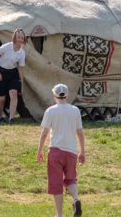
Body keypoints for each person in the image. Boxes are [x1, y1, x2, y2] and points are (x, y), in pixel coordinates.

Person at [36, 84, 86, 217]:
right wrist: (82, 151)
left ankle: (59, 214)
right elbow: (80, 133)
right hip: (71, 151)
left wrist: (39, 150)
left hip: (56, 151)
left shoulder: (50, 111)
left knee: (56, 183)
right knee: (71, 179)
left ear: (54, 95)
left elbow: (44, 133)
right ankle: (76, 199)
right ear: (67, 95)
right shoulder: (75, 110)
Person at [0, 28, 26, 123]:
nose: (20, 40)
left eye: (22, 38)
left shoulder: (22, 53)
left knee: (13, 94)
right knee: (1, 98)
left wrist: (22, 83)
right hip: (1, 71)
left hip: (13, 73)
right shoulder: (6, 46)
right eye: (18, 37)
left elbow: (21, 68)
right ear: (14, 37)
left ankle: (11, 118)